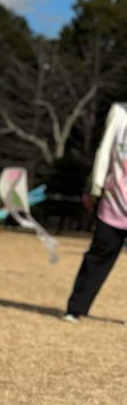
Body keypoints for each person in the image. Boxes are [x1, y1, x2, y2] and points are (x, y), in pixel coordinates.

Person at [63, 102, 127, 323]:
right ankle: (75, 308)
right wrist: (94, 187)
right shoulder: (120, 113)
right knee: (99, 254)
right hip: (114, 199)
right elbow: (105, 151)